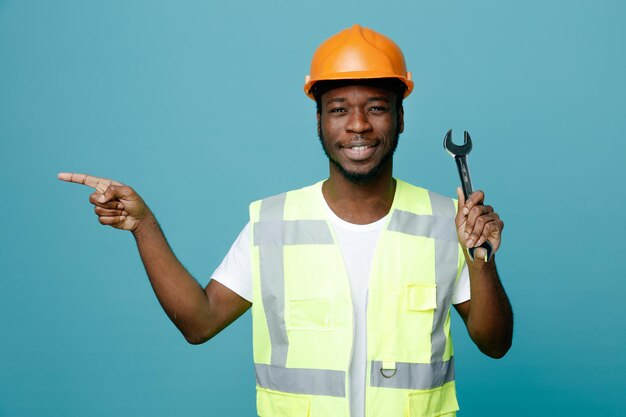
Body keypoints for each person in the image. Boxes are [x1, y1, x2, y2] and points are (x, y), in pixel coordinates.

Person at [59, 24, 512, 417]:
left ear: (400, 118)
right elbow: (199, 323)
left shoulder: (446, 221)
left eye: (376, 107)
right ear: (319, 121)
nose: (358, 125)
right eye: (338, 109)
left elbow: (495, 343)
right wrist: (145, 227)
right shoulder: (271, 223)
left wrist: (482, 261)